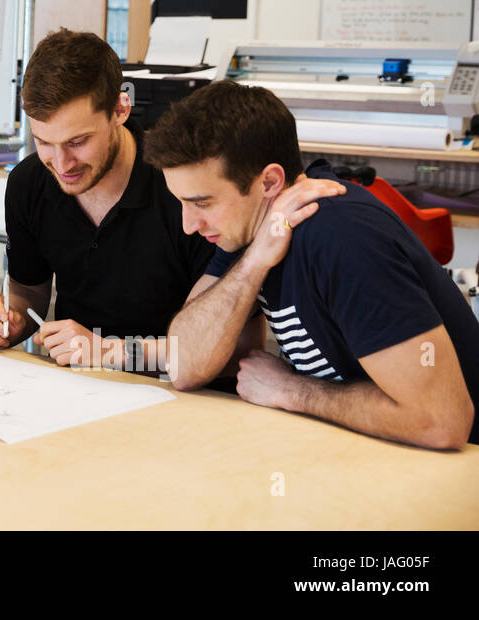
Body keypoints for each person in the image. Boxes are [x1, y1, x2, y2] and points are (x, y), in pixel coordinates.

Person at [145, 79, 479, 448]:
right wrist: (255, 261)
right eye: (182, 203)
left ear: (270, 182)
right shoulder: (248, 231)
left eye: (202, 203)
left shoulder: (341, 238)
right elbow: (183, 366)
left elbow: (441, 422)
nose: (189, 225)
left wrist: (291, 390)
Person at [0, 28, 216, 372]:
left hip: (181, 388)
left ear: (120, 109)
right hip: (80, 385)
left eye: (78, 141)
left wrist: (108, 351)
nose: (62, 164)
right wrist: (8, 321)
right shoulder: (29, 182)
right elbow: (30, 297)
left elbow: (229, 345)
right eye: (44, 142)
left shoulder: (181, 187)